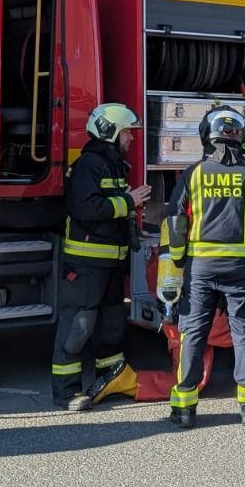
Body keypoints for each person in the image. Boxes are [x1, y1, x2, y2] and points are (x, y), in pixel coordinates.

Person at [160, 106, 245, 428]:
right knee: (244, 331)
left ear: (205, 136)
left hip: (201, 268)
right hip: (242, 268)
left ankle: (184, 406)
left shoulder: (193, 174)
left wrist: (179, 258)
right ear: (241, 137)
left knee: (194, 331)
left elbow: (177, 220)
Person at [52, 103, 150, 411]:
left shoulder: (113, 164)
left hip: (109, 262)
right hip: (86, 262)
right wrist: (127, 201)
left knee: (111, 325)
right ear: (110, 132)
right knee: (78, 326)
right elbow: (87, 209)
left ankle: (110, 379)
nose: (131, 139)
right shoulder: (88, 166)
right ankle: (67, 393)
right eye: (127, 133)